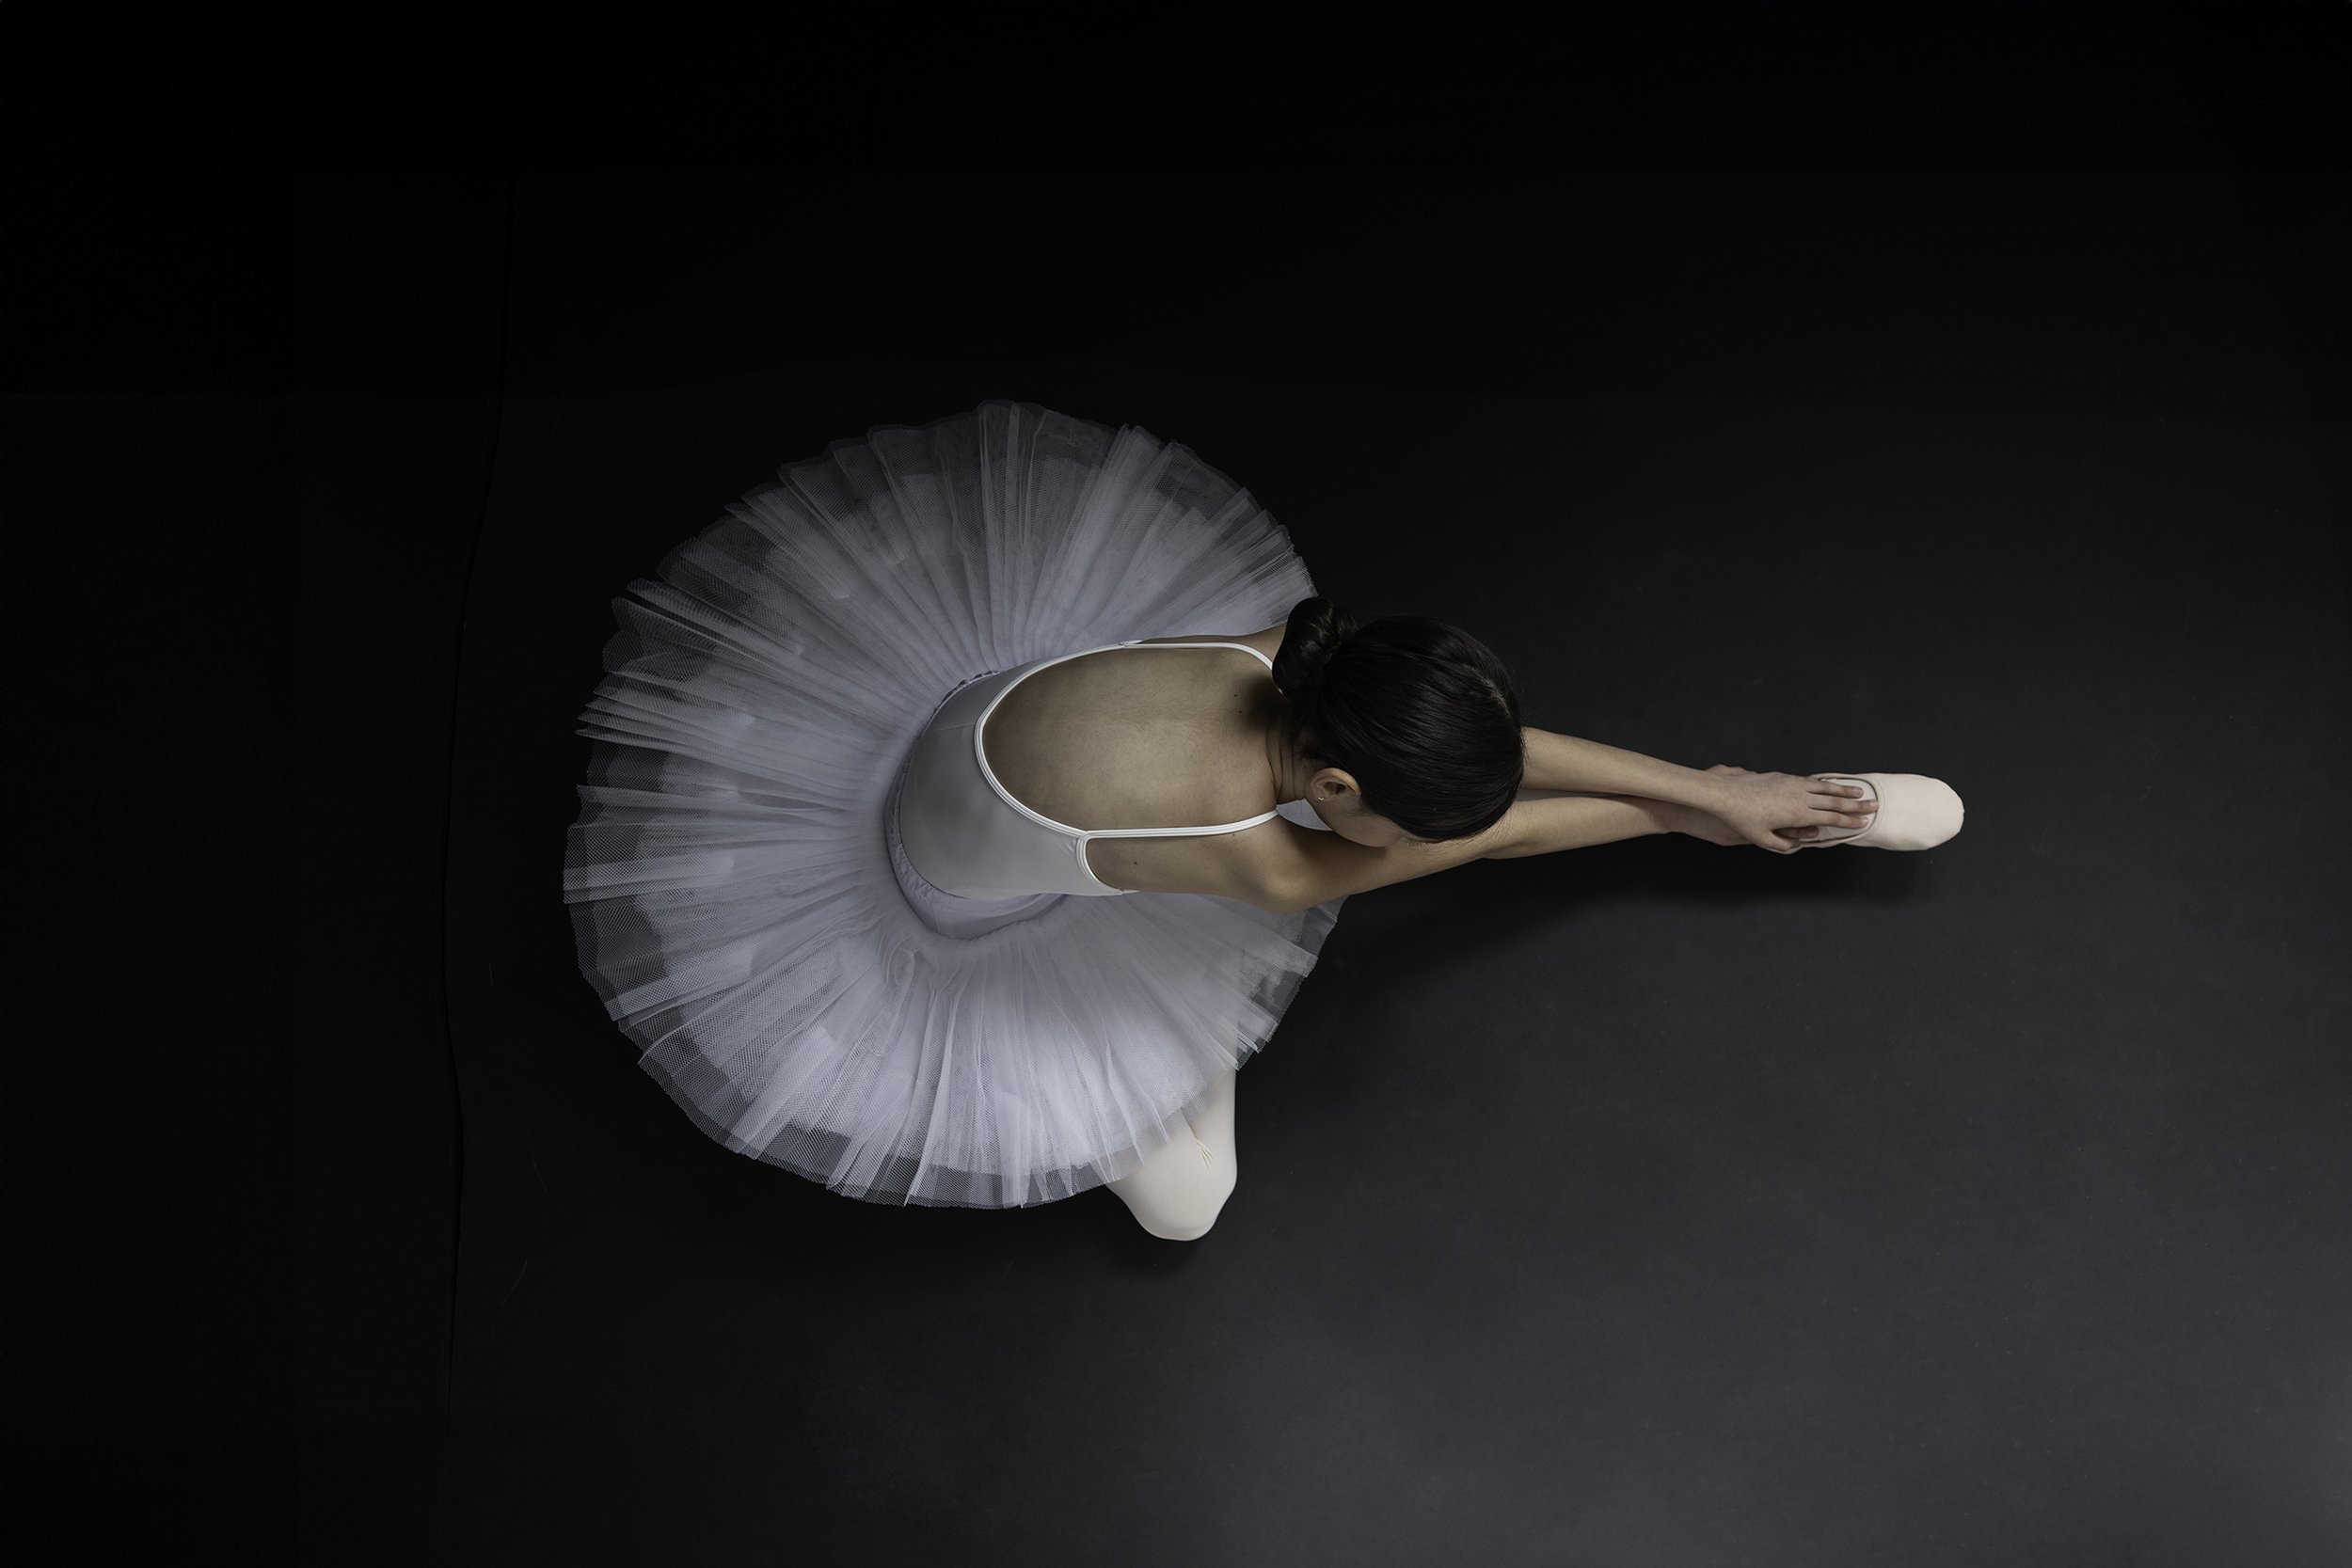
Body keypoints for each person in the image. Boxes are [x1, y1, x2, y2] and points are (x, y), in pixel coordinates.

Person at [563, 400, 1962, 1242]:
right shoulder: (1267, 856)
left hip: (951, 735)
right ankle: (1125, 1085)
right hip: (950, 908)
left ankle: (1726, 798)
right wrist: (1681, 817)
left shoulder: (1287, 652)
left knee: (1202, 1112)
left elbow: (1489, 762)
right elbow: (1513, 831)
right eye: (1374, 821)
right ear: (1339, 793)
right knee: (1189, 1204)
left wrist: (1702, 785)